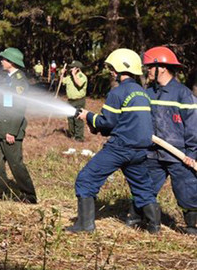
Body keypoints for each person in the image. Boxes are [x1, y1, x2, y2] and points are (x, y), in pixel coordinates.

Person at [66, 48, 156, 233]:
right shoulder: (143, 93)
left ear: (119, 70)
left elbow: (107, 123)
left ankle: (85, 225)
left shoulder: (118, 92)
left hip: (120, 148)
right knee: (142, 188)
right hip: (140, 150)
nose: (111, 72)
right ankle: (155, 228)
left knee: (86, 179)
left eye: (112, 68)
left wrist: (89, 116)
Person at [138, 46, 197, 235]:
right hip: (153, 152)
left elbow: (193, 126)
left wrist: (192, 154)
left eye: (149, 67)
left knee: (186, 190)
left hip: (178, 154)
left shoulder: (183, 94)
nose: (147, 71)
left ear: (161, 67)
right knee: (145, 187)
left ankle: (191, 226)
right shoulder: (148, 93)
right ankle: (146, 221)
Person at [0, 47, 37, 204]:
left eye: (4, 59)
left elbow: (18, 108)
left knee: (15, 163)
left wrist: (12, 131)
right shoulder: (8, 79)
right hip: (0, 126)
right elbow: (5, 100)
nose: (1, 61)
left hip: (10, 128)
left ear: (12, 62)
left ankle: (29, 195)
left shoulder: (19, 82)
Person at [60, 60, 88, 142]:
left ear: (77, 69)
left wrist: (73, 74)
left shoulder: (82, 77)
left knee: (78, 119)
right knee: (70, 118)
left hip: (79, 101)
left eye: (73, 68)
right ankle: (72, 135)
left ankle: (79, 138)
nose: (71, 69)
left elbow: (79, 84)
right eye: (71, 67)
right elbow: (62, 81)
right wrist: (62, 74)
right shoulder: (69, 77)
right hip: (70, 101)